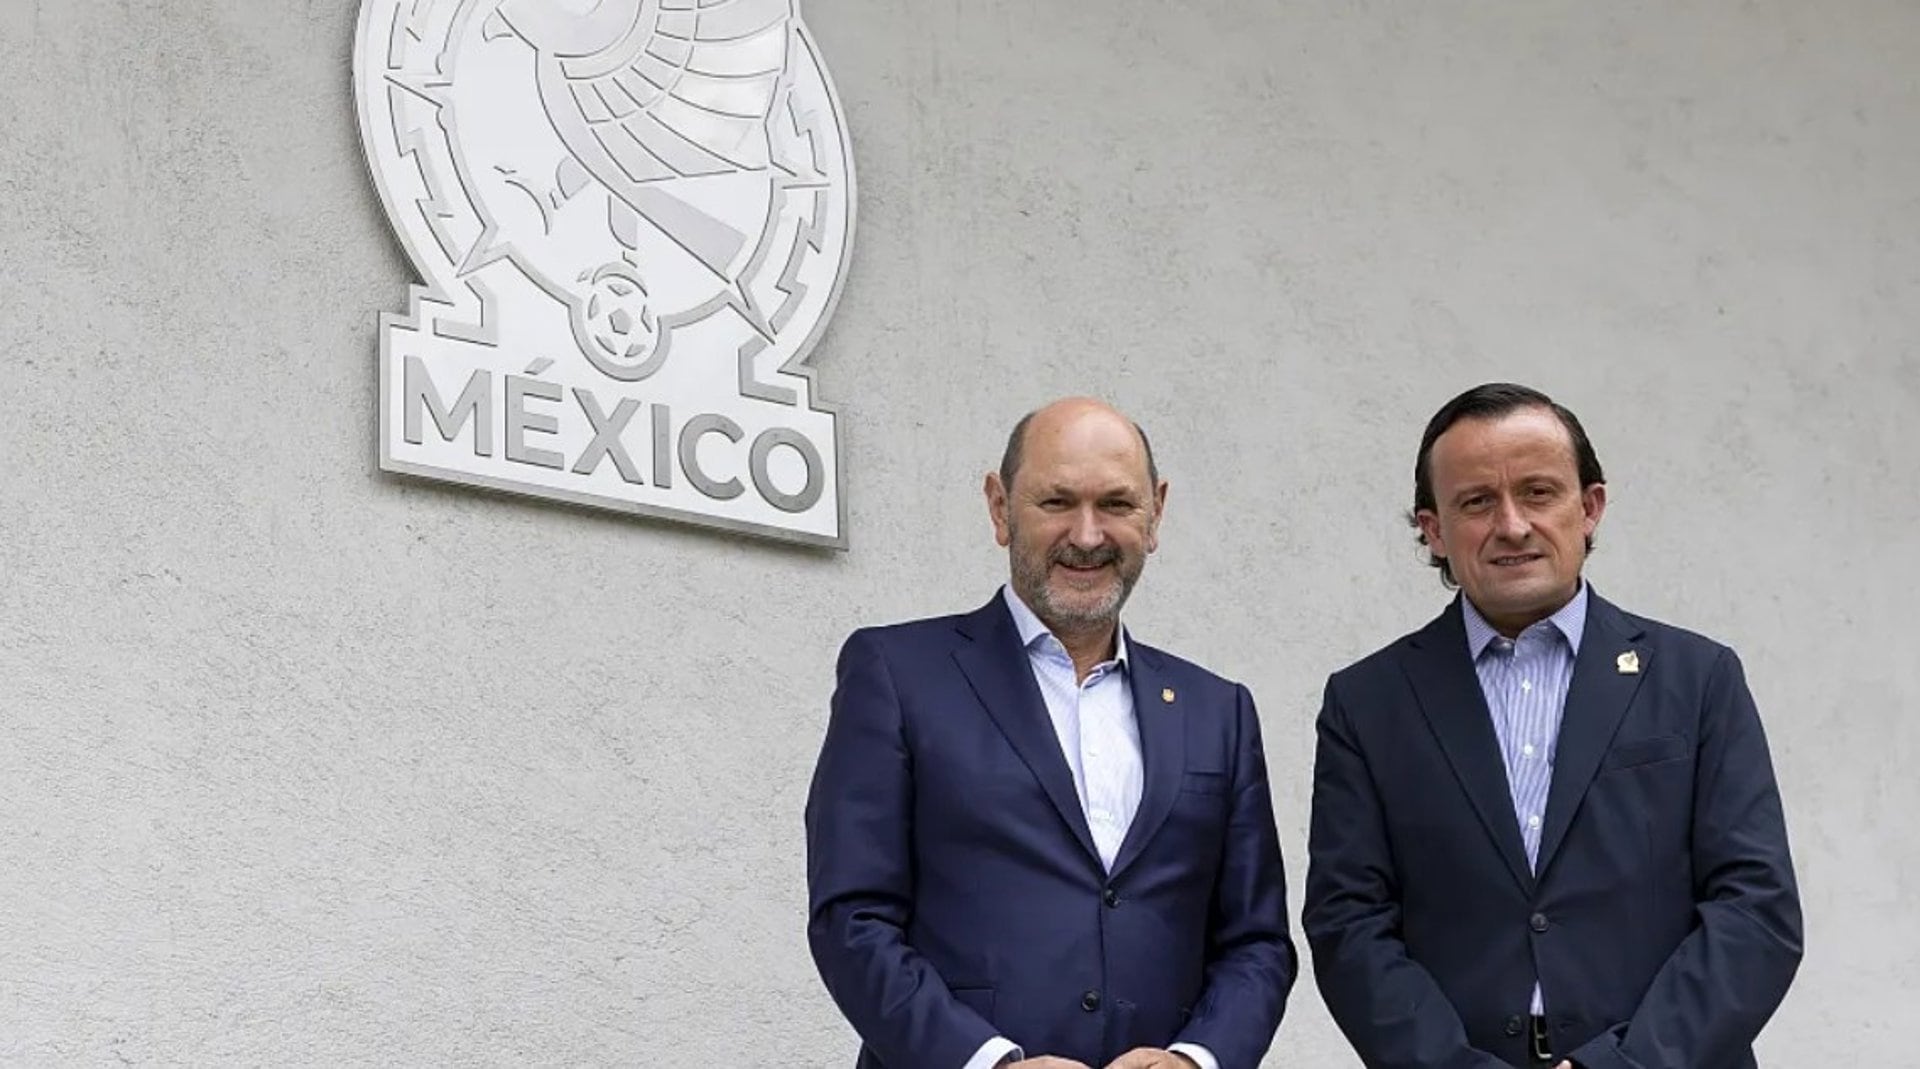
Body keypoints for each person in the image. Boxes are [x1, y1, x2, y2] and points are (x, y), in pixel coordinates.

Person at [1303, 383, 1803, 1068]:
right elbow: (1349, 923)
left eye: (1538, 492)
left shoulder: (1697, 679)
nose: (1512, 525)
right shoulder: (1369, 702)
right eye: (1476, 501)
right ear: (1434, 529)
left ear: (1589, 507)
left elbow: (1756, 909)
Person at [806, 397, 1296, 1069]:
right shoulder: (896, 673)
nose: (1087, 535)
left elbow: (1257, 943)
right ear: (1000, 507)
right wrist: (988, 1062)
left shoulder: (1219, 711)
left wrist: (1195, 1059)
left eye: (1116, 504)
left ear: (1155, 513)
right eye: (1057, 501)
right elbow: (852, 919)